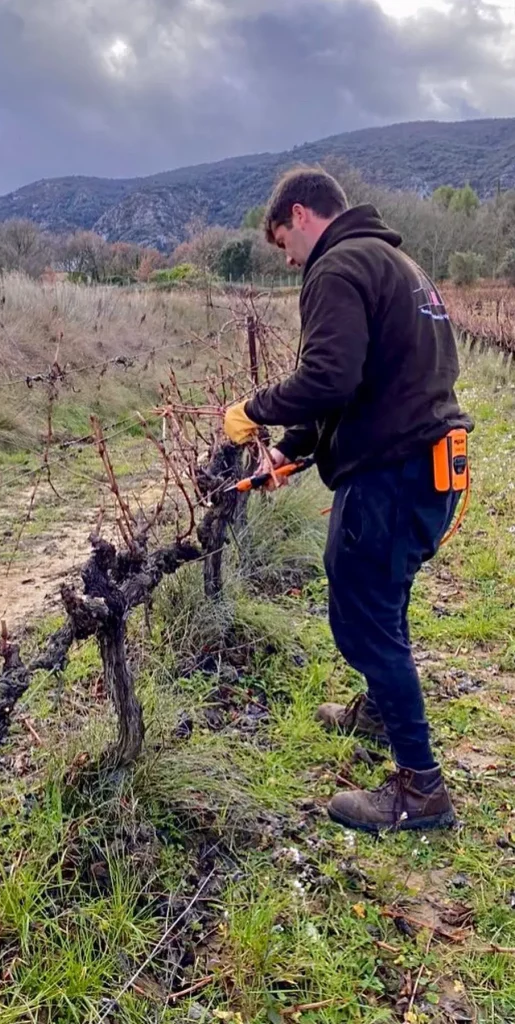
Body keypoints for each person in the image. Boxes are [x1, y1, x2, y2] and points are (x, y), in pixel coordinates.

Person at [224, 166, 474, 834]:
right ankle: (376, 711)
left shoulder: (336, 267)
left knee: (364, 618)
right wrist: (292, 448)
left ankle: (421, 792)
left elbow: (328, 377)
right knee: (382, 600)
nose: (288, 259)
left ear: (301, 215)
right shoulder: (398, 264)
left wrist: (253, 411)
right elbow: (367, 380)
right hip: (430, 466)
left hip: (392, 474)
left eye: (284, 244)